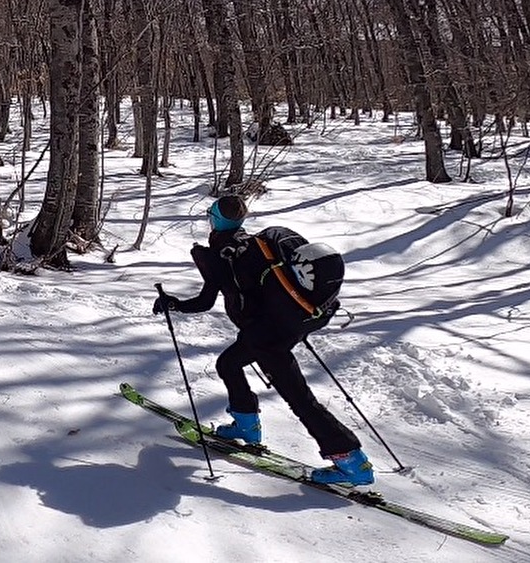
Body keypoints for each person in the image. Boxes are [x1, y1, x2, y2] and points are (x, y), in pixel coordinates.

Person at [152, 194, 374, 486]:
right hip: (279, 328)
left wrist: (173, 304)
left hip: (268, 337)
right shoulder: (260, 246)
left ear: (215, 221)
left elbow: (204, 303)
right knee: (229, 363)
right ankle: (246, 425)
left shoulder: (222, 256)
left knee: (299, 399)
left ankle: (351, 462)